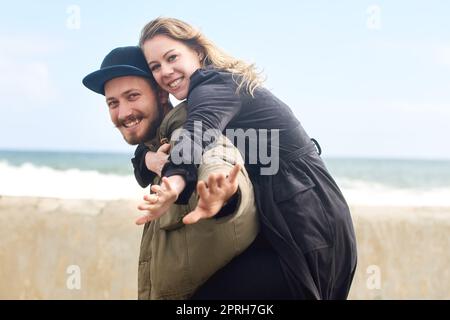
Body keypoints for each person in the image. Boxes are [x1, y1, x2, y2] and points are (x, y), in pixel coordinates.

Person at [132, 17, 357, 299]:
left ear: (197, 51)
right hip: (282, 217)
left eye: (172, 57)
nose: (166, 71)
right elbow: (162, 139)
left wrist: (174, 183)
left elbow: (198, 131)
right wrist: (150, 159)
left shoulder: (215, 83)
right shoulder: (204, 94)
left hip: (306, 221)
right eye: (155, 66)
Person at [82, 46, 261, 299]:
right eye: (113, 103)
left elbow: (217, 153)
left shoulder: (186, 128)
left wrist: (224, 193)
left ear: (161, 94)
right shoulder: (156, 147)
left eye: (132, 96)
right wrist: (146, 159)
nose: (123, 113)